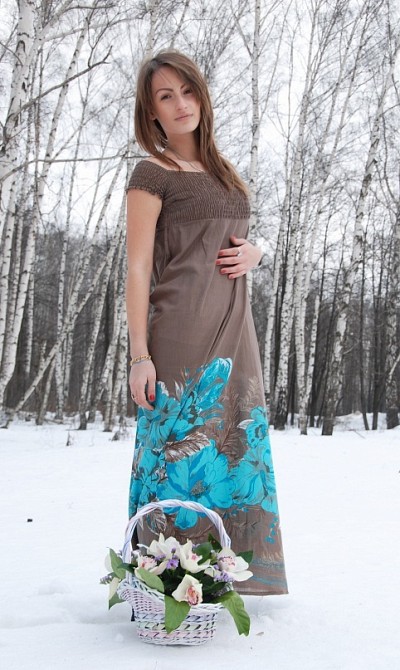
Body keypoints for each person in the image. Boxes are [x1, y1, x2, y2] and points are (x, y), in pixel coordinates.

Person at [126, 50, 287, 596]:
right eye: (165, 96)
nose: (181, 104)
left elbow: (232, 241)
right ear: (151, 112)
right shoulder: (152, 173)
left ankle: (218, 580)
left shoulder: (226, 172)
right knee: (177, 454)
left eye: (187, 90)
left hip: (236, 329)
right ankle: (167, 586)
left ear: (202, 94)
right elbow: (137, 268)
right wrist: (140, 356)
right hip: (180, 332)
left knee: (233, 447)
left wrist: (257, 253)